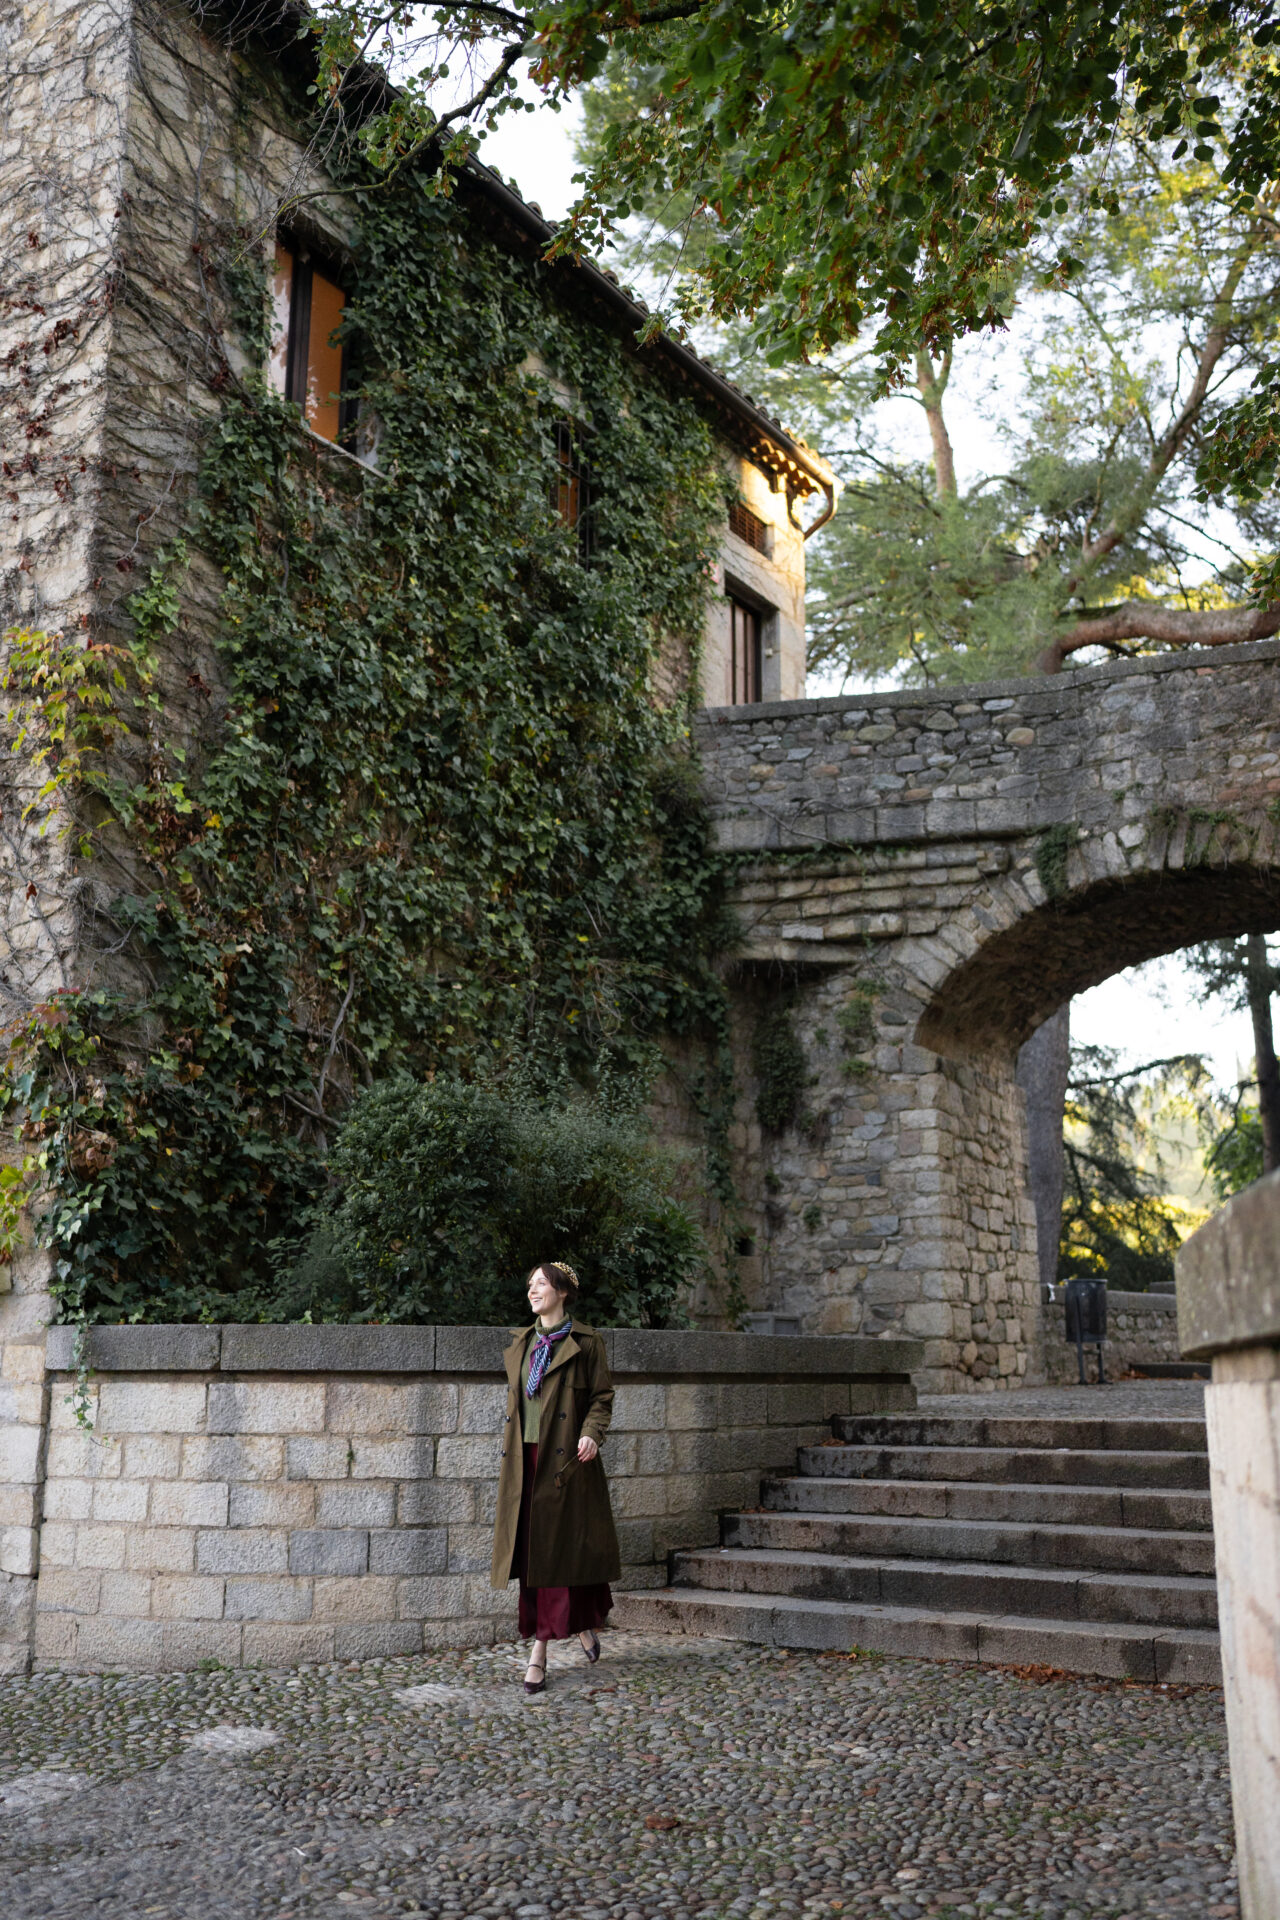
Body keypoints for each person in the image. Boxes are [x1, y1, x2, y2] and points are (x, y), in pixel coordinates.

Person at [490, 1261, 621, 1694]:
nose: (533, 1290)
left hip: (565, 1463)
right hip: (524, 1463)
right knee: (535, 1555)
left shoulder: (587, 1342)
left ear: (563, 1291)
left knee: (559, 1553)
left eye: (541, 1283)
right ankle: (578, 1625)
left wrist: (591, 1434)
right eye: (530, 1284)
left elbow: (602, 1397)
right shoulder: (522, 1342)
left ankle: (539, 1653)